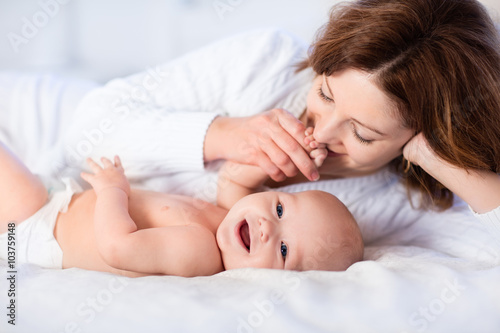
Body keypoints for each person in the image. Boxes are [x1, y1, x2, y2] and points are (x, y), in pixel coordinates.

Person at [2, 0, 499, 244]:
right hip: (32, 127)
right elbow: (87, 130)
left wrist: (438, 152)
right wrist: (222, 135)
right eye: (325, 93)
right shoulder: (266, 62)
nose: (322, 132)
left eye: (364, 133)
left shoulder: (400, 204)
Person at [0, 140, 363, 277]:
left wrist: (113, 191)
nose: (268, 226)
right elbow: (234, 180)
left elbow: (117, 247)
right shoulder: (233, 222)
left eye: (284, 250)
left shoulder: (201, 252)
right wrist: (289, 157)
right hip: (57, 200)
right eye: (281, 209)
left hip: (38, 226)